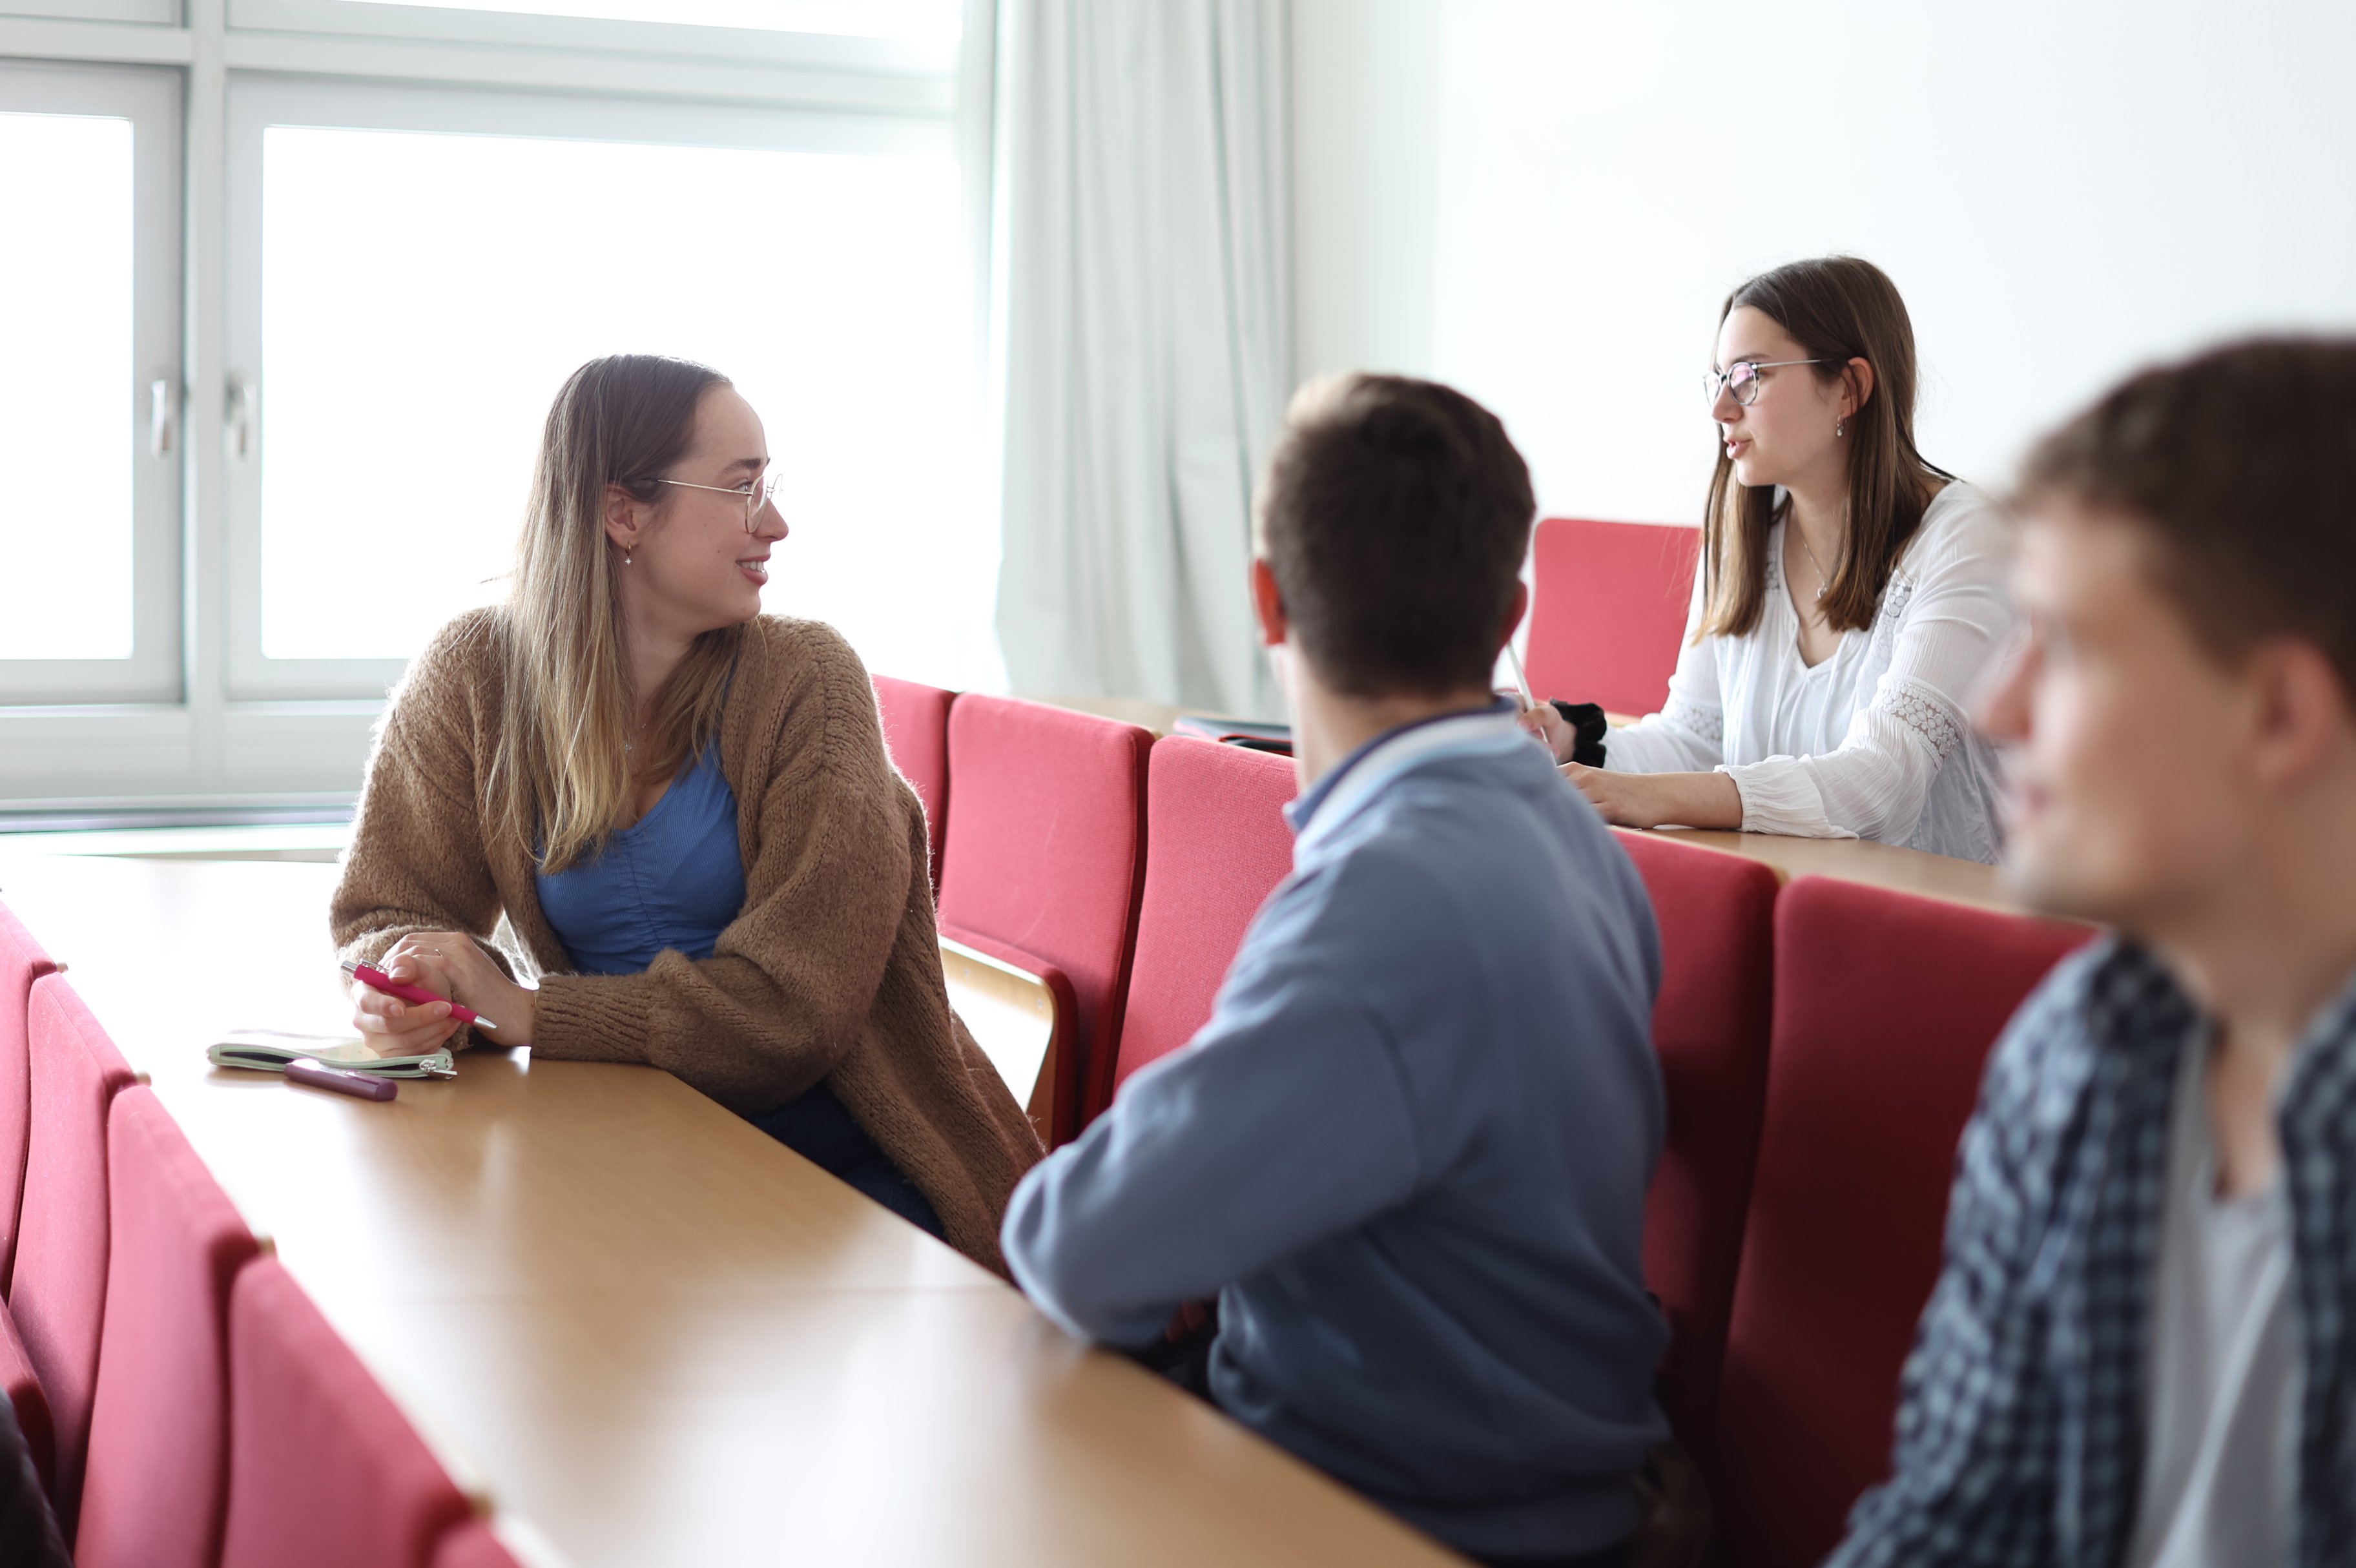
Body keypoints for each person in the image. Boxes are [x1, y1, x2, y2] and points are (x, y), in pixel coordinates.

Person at [1002, 374, 1669, 1568]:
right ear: (1508, 603)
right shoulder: (1581, 846)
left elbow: (1075, 1246)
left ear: (1267, 600)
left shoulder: (1388, 902)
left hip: (1378, 1511)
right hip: (1530, 1479)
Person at [329, 353, 1040, 1272]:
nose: (776, 524)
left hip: (851, 1150)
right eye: (743, 489)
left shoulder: (809, 683)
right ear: (625, 513)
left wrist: (530, 1012)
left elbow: (795, 1016)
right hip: (625, 1126)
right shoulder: (476, 672)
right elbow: (382, 910)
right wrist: (410, 984)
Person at [1828, 338, 2356, 1565]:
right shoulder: (2073, 1053)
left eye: (2059, 646)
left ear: (2275, 712)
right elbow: (1949, 1522)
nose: (1992, 711)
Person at [1524, 256, 2013, 863]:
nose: (1721, 408)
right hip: (1791, 902)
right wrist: (1568, 737)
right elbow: (1696, 743)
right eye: (1718, 379)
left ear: (1850, 389)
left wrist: (1647, 798)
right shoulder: (1742, 540)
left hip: (1944, 921)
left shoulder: (1967, 539)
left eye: (1749, 375)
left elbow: (1885, 779)